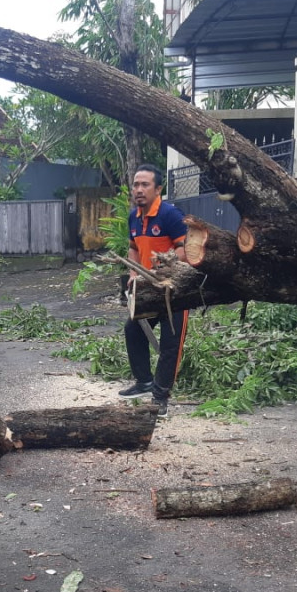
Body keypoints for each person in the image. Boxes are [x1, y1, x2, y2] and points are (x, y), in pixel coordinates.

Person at [117, 164, 189, 419]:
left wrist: (165, 262)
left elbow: (185, 249)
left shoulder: (170, 215)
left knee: (171, 345)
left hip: (175, 291)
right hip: (147, 289)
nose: (138, 189)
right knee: (133, 329)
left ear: (158, 189)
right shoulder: (133, 216)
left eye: (144, 184)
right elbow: (133, 248)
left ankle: (160, 398)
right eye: (136, 184)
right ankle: (144, 381)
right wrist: (134, 273)